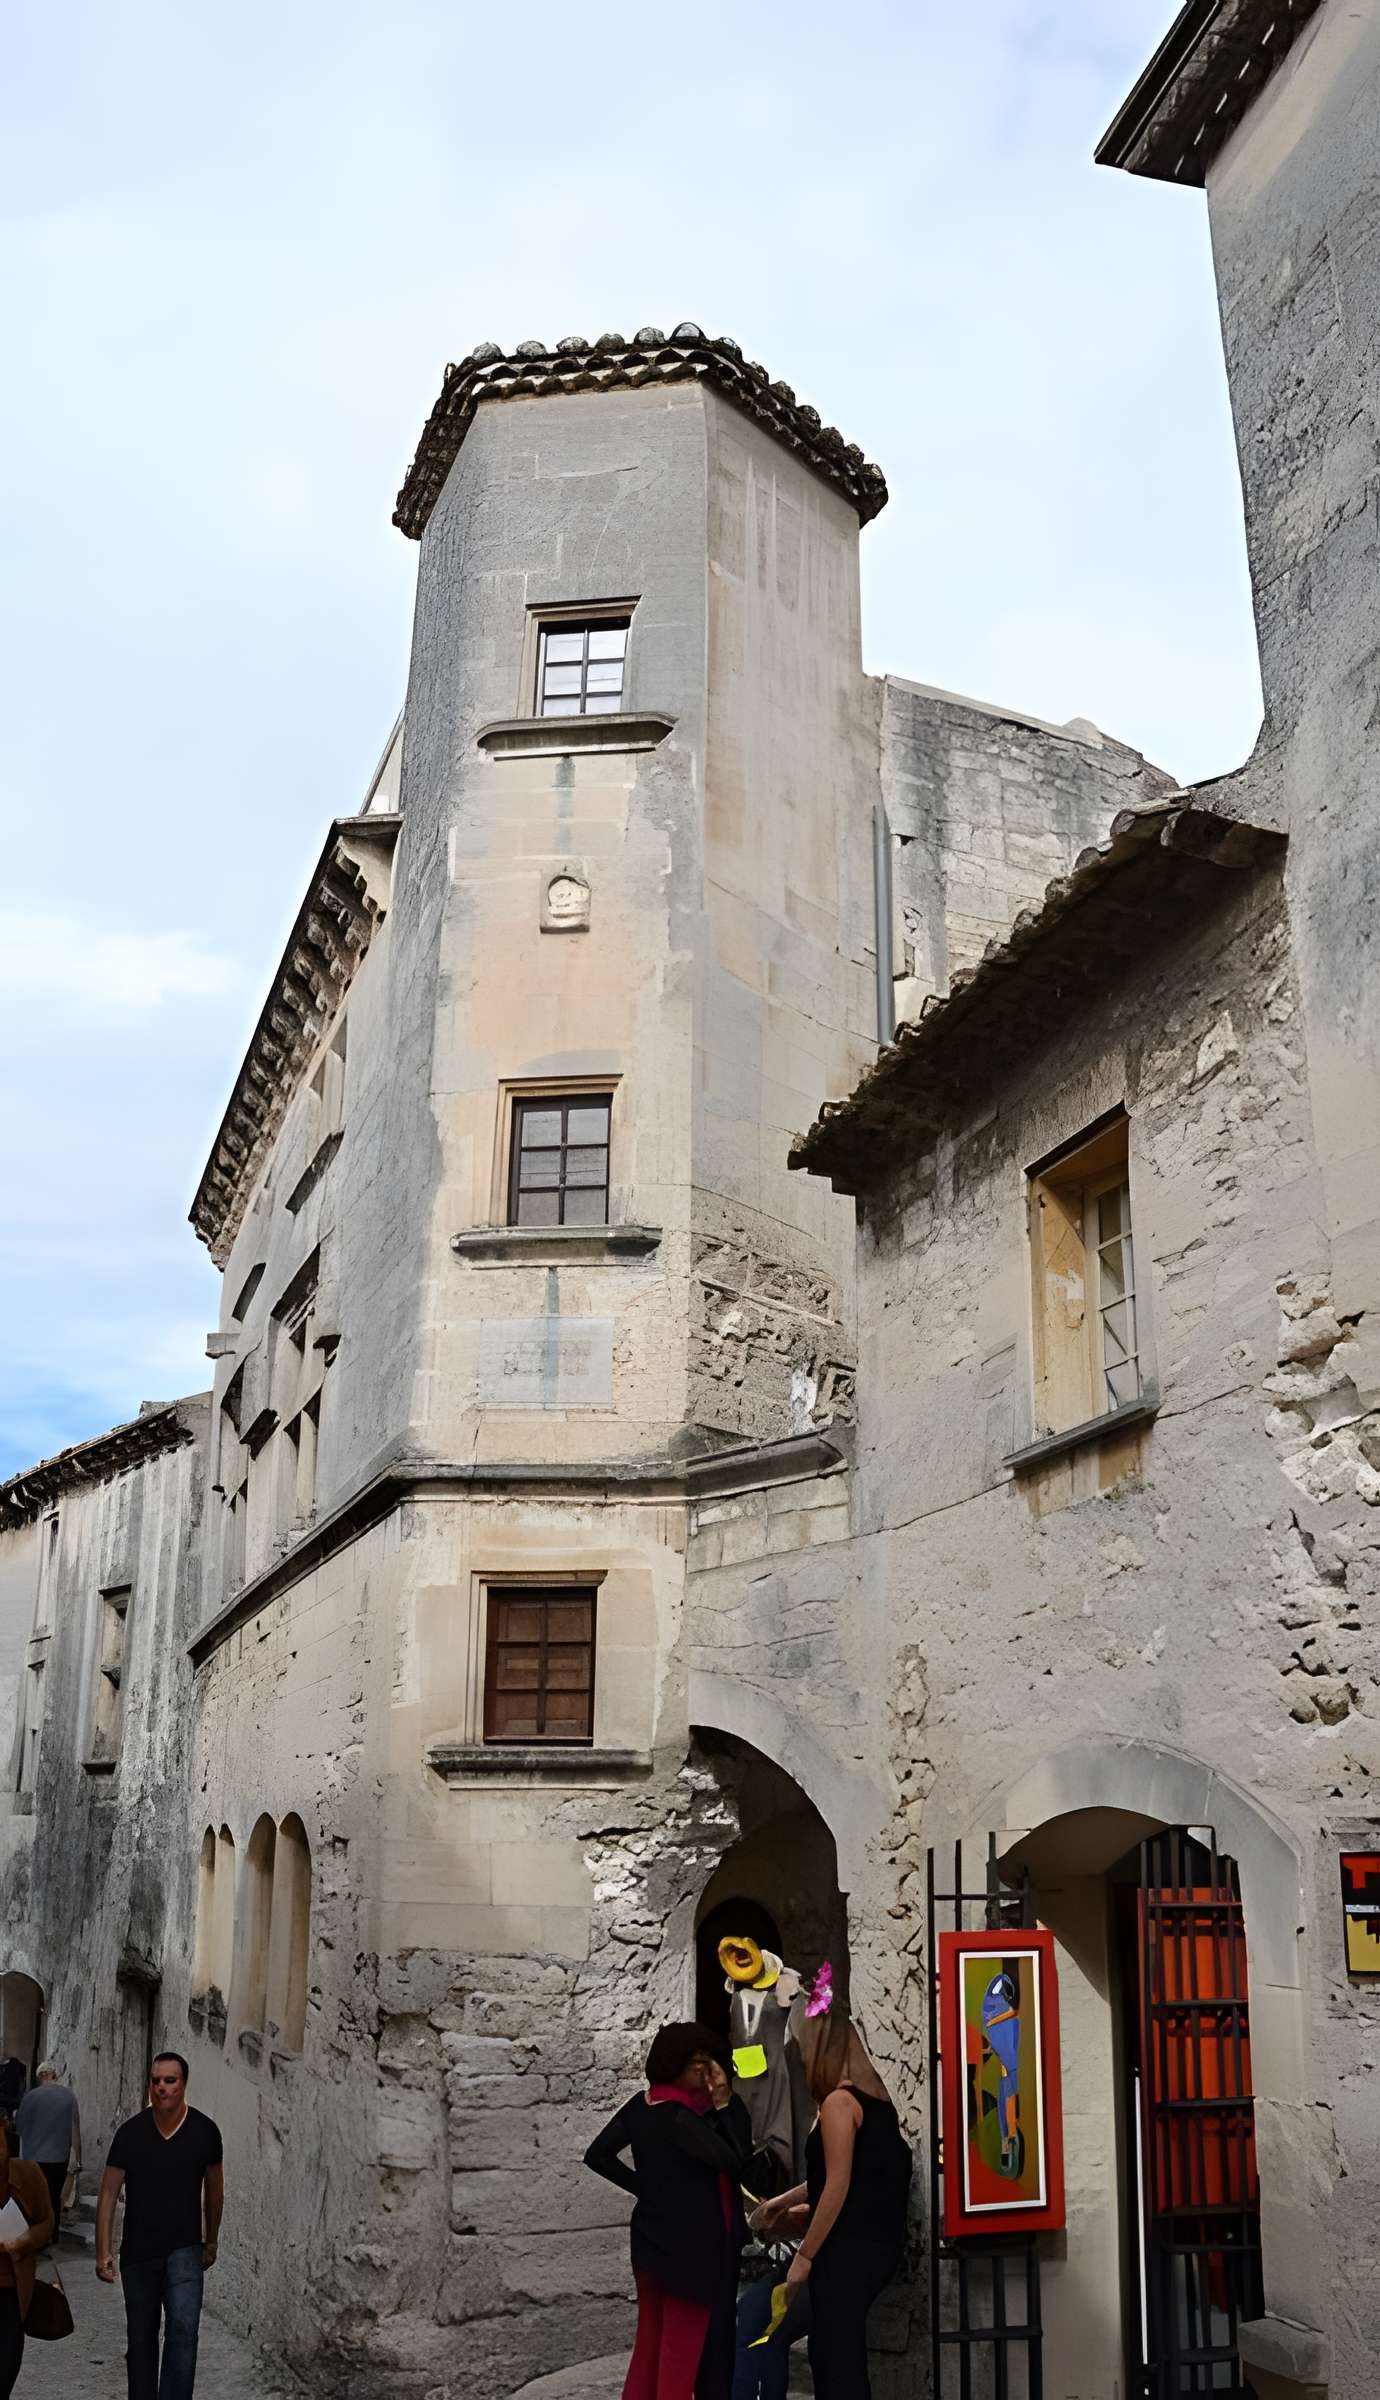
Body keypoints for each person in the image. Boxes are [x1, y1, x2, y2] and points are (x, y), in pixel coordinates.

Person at [584, 2022, 753, 2400]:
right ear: (676, 2064)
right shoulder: (681, 2117)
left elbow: (598, 2155)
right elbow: (734, 2161)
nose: (708, 2072)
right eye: (699, 2063)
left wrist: (647, 2189)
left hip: (650, 2239)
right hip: (692, 2248)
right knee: (682, 2350)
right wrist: (724, 2102)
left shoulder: (642, 2105)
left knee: (650, 2342)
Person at [750, 2012, 911, 2400]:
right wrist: (779, 2203)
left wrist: (804, 2258)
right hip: (876, 2247)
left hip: (849, 2250)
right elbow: (836, 2175)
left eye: (806, 2050)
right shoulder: (877, 2103)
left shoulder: (840, 2103)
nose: (804, 2059)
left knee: (835, 2360)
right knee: (840, 2354)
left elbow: (836, 2185)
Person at [95, 2052, 223, 2400]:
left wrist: (211, 2241)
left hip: (185, 2250)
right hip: (138, 2254)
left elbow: (215, 2192)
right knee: (140, 2339)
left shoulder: (205, 2132)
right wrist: (103, 2251)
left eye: (170, 2080)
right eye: (156, 2081)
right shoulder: (130, 2134)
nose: (162, 2087)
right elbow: (108, 2193)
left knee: (183, 2331)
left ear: (184, 2084)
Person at [0, 2113, 55, 2396]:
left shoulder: (28, 2175)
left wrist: (23, 2242)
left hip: (11, 2292)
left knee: (5, 2369)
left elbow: (47, 2222)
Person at [15, 2063, 80, 2237]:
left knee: (35, 2197)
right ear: (55, 2075)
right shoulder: (69, 2096)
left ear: (39, 2076)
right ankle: (53, 2234)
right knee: (54, 2196)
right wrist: (78, 2159)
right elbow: (75, 2130)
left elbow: (19, 2129)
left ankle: (36, 2233)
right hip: (59, 2157)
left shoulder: (29, 2097)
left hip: (33, 2159)